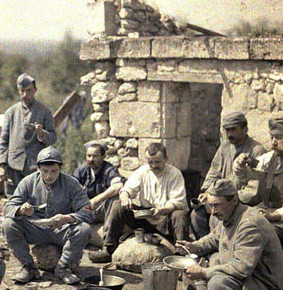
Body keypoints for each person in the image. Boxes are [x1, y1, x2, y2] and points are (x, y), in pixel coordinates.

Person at [176, 179, 283, 290]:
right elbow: (215, 238)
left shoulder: (249, 224)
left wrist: (203, 273)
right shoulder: (230, 214)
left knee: (218, 282)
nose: (213, 211)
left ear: (234, 199)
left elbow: (242, 269)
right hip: (249, 281)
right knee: (205, 261)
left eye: (217, 205)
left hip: (266, 289)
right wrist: (193, 247)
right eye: (211, 205)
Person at [2, 147, 95, 284]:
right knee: (8, 224)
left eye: (54, 171)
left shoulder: (71, 183)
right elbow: (8, 208)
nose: (49, 176)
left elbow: (89, 211)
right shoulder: (28, 181)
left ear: (60, 168)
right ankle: (29, 268)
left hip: (61, 229)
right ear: (38, 168)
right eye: (45, 171)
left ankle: (63, 268)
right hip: (35, 229)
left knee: (84, 229)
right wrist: (21, 210)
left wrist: (67, 218)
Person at [91, 142, 189, 263]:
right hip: (144, 218)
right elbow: (127, 189)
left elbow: (178, 201)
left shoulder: (174, 173)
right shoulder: (142, 171)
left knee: (180, 214)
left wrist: (161, 210)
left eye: (157, 162)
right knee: (117, 205)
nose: (153, 165)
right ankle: (108, 249)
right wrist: (125, 197)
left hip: (165, 218)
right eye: (150, 162)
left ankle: (180, 256)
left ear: (166, 159)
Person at [191, 111, 265, 239]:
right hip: (221, 199)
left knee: (218, 216)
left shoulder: (256, 151)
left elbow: (254, 190)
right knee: (196, 214)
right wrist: (208, 192)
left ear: (245, 129)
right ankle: (205, 251)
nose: (230, 134)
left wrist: (228, 198)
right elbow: (214, 172)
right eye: (227, 130)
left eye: (233, 130)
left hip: (241, 202)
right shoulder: (225, 146)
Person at [0, 73, 57, 196]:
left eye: (29, 90)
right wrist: (1, 165)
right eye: (22, 91)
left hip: (34, 165)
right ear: (18, 91)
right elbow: (4, 140)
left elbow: (53, 138)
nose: (25, 95)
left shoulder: (44, 111)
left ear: (35, 90)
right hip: (14, 165)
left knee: (35, 198)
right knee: (13, 199)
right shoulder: (11, 112)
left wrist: (42, 133)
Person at [234, 117, 283, 242]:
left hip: (279, 219)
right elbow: (248, 175)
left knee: (261, 232)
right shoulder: (271, 158)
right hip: (268, 212)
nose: (273, 142)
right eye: (272, 137)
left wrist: (275, 216)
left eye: (278, 137)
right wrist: (240, 165)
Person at [72, 141, 125, 224]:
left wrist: (95, 200)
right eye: (89, 156)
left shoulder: (109, 170)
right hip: (84, 209)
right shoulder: (81, 170)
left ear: (103, 156)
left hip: (101, 209)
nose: (91, 159)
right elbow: (71, 186)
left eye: (95, 156)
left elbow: (118, 186)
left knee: (114, 202)